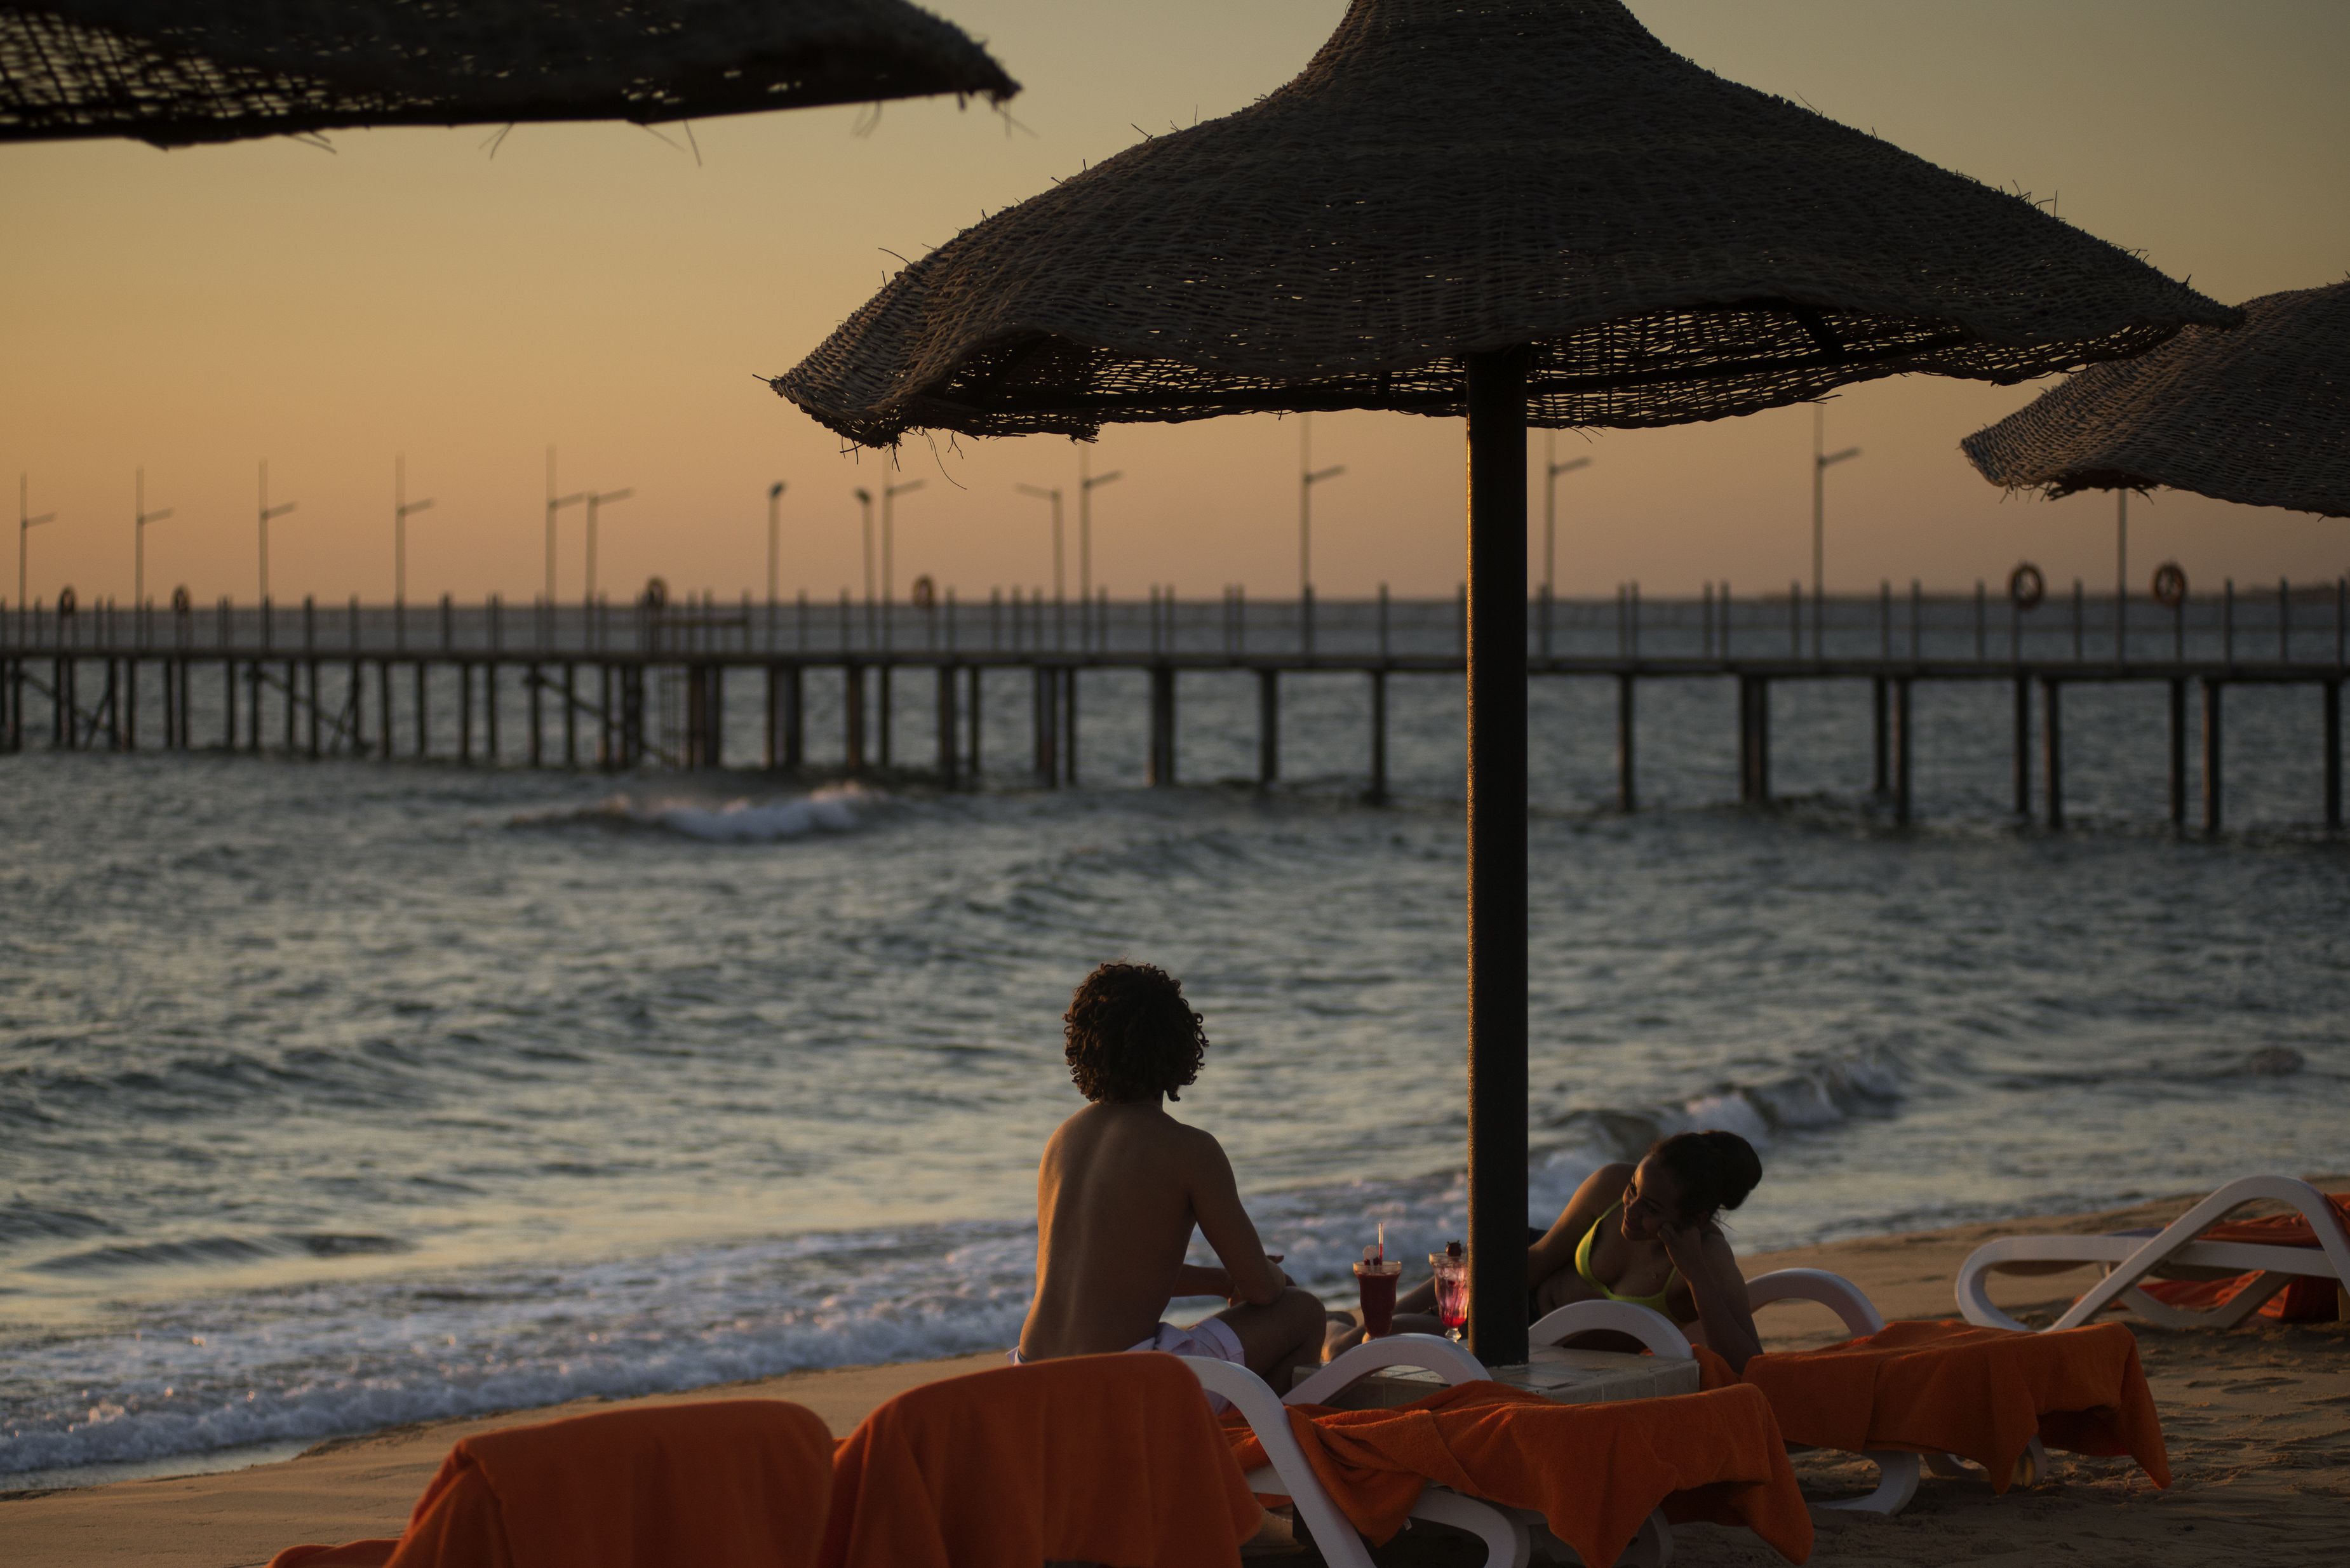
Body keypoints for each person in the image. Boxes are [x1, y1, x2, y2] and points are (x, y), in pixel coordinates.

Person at [1015, 961, 1329, 1391]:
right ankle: (1250, 1433)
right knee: (1303, 1311)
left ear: (1085, 1046)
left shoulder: (1063, 1140)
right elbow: (1260, 1289)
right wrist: (1271, 1277)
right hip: (1119, 1390)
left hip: (1032, 1379)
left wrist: (1222, 1281)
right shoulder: (1189, 1149)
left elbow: (1112, 1272)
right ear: (1177, 1047)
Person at [1328, 1130, 1769, 1373]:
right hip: (1511, 1283)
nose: (1631, 1211)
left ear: (1695, 1220)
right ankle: (1336, 1324)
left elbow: (1748, 1364)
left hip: (1541, 1347)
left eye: (1651, 1208)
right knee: (1352, 1345)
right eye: (1634, 1189)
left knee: (1375, 1339)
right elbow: (1538, 1259)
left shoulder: (1709, 1262)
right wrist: (1465, 1308)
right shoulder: (1609, 1187)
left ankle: (1341, 1324)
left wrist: (1695, 1275)